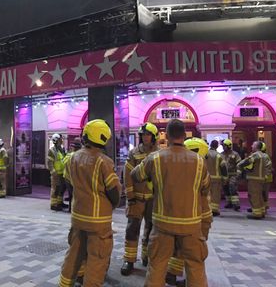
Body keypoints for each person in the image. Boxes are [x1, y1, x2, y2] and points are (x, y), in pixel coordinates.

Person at [132, 119, 211, 287]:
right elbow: (205, 190)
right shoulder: (199, 161)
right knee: (196, 267)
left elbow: (135, 175)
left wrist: (153, 183)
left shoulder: (155, 158)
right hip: (191, 226)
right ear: (184, 136)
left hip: (162, 224)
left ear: (166, 136)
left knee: (157, 267)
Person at [59, 120, 121, 287]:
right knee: (97, 259)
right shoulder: (104, 162)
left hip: (78, 217)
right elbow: (114, 192)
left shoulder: (72, 158)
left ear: (86, 135)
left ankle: (65, 283)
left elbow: (69, 183)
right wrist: (112, 205)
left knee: (74, 253)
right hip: (98, 221)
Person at [166, 137, 214, 285]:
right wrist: (206, 224)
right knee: (194, 255)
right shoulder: (199, 170)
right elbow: (204, 201)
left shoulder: (177, 169)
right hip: (195, 221)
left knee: (178, 248)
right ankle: (181, 277)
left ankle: (173, 274)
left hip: (175, 219)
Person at [121, 122, 159, 276]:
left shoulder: (159, 153)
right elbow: (127, 175)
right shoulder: (134, 153)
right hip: (136, 199)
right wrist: (130, 196)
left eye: (148, 134)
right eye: (143, 135)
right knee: (132, 230)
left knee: (150, 230)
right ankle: (129, 260)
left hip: (152, 200)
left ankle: (146, 257)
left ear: (154, 136)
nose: (145, 137)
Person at [237, 141, 270, 219]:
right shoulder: (264, 156)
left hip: (254, 179)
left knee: (254, 196)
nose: (251, 146)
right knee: (259, 196)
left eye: (253, 145)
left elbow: (247, 161)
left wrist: (239, 164)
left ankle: (256, 213)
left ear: (257, 147)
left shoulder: (256, 155)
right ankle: (261, 211)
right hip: (261, 178)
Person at [205, 140, 227, 216]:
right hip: (217, 178)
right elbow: (223, 167)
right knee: (216, 194)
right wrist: (225, 178)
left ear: (210, 145)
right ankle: (214, 210)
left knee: (207, 194)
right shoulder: (219, 155)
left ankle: (207, 209)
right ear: (217, 146)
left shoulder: (205, 154)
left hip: (206, 177)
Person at [47, 133, 67, 211]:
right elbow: (49, 162)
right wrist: (52, 171)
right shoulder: (51, 150)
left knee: (61, 188)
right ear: (56, 140)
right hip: (56, 173)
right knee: (55, 188)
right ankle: (53, 204)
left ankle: (59, 202)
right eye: (60, 139)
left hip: (62, 173)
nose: (61, 140)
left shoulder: (62, 149)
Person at [62, 138, 82, 212]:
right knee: (76, 195)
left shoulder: (69, 155)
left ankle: (70, 209)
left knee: (71, 195)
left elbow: (63, 163)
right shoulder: (80, 156)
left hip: (67, 178)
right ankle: (75, 209)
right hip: (75, 179)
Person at [221, 139, 242, 211]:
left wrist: (238, 173)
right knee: (226, 189)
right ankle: (229, 202)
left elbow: (239, 163)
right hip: (224, 175)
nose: (223, 147)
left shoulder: (235, 154)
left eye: (224, 146)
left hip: (233, 174)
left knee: (233, 188)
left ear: (228, 146)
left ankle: (236, 204)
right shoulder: (221, 154)